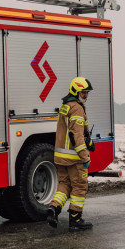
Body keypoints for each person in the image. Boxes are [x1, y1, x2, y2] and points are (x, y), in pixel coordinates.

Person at [47, 77, 94, 231]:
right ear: (75, 91)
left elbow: (71, 133)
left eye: (87, 92)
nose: (86, 95)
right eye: (83, 92)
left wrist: (89, 142)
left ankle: (53, 208)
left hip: (60, 157)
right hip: (74, 159)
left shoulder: (65, 105)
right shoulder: (77, 108)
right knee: (80, 187)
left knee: (64, 185)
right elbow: (76, 136)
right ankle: (75, 220)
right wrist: (84, 156)